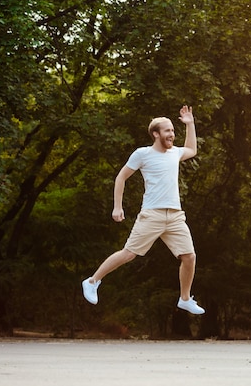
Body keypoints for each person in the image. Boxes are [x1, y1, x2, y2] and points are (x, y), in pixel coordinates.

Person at [81, 105, 205, 315]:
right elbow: (121, 177)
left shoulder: (175, 153)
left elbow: (191, 149)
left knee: (189, 257)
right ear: (156, 134)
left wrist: (190, 124)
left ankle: (184, 299)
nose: (172, 135)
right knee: (129, 254)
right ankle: (92, 281)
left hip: (175, 216)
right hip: (152, 214)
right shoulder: (143, 154)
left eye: (173, 131)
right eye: (168, 131)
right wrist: (117, 207)